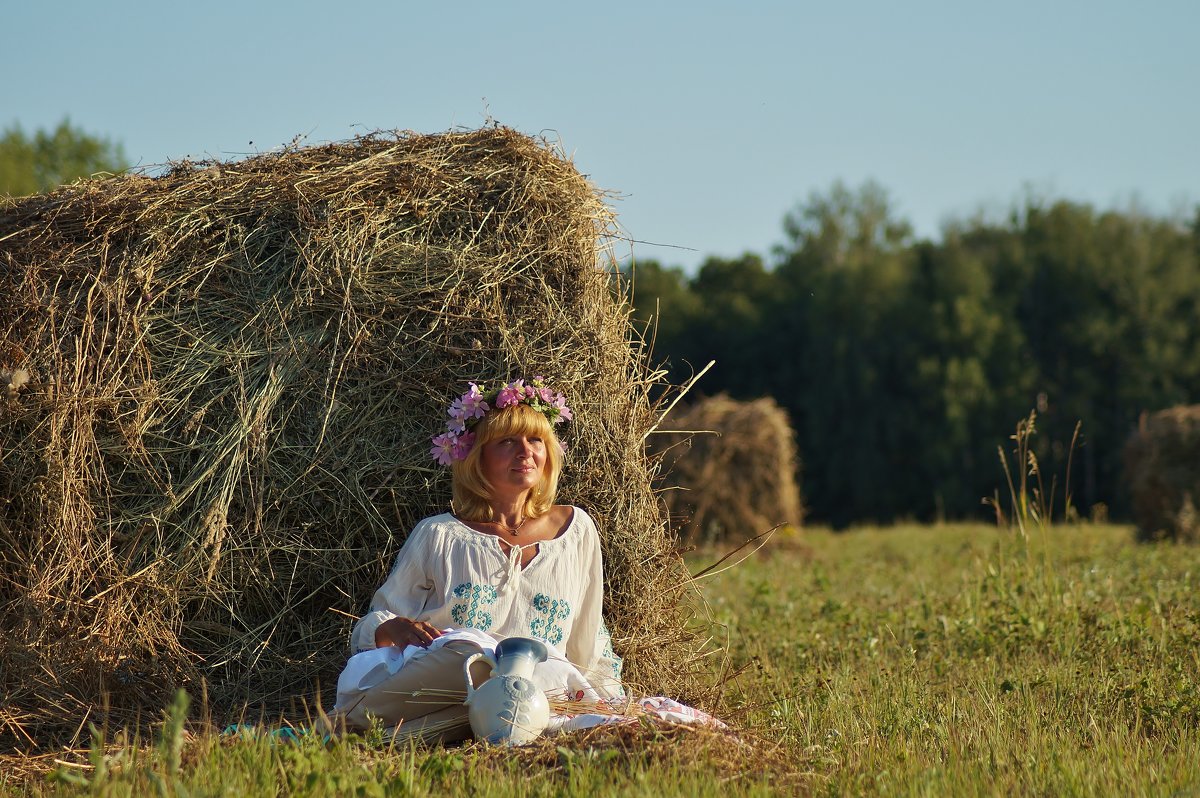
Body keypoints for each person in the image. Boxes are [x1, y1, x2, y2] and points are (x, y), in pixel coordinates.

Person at [331, 377, 624, 742]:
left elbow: (588, 636)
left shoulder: (576, 530)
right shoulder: (438, 535)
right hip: (449, 676)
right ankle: (358, 723)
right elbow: (377, 622)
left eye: (535, 440)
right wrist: (391, 629)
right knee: (473, 657)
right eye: (506, 442)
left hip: (530, 692)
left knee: (510, 691)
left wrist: (610, 706)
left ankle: (357, 733)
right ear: (476, 457)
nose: (525, 452)